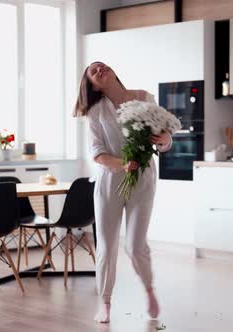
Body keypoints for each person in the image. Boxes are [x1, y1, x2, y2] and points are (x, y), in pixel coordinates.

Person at [74, 62, 172, 323]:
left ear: (113, 72)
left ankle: (149, 289)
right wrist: (123, 165)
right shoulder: (95, 111)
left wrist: (165, 141)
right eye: (93, 72)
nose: (99, 70)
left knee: (135, 245)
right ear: (92, 86)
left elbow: (164, 137)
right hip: (109, 180)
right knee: (106, 245)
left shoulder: (143, 97)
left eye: (101, 66)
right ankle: (104, 303)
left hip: (143, 178)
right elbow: (97, 153)